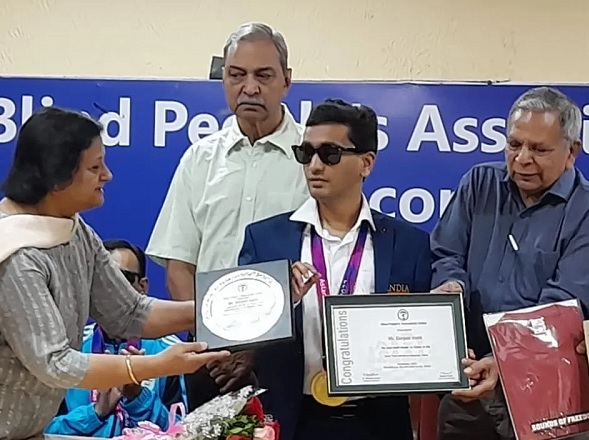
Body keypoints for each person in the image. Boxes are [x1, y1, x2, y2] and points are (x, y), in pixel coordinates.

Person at [0, 106, 228, 440]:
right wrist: (158, 365)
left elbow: (129, 311)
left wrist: (221, 311)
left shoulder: (74, 230)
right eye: (95, 167)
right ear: (57, 177)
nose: (107, 175)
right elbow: (55, 363)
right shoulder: (14, 253)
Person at [430, 87, 589, 440]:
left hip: (547, 399)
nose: (521, 159)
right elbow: (447, 254)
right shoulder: (479, 184)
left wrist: (504, 360)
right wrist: (450, 286)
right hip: (469, 387)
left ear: (571, 153)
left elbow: (561, 307)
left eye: (539, 149)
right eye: (514, 144)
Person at [238, 99, 432, 440]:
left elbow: (424, 343)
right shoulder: (265, 239)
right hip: (291, 421)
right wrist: (280, 301)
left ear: (366, 163)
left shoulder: (409, 245)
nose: (314, 165)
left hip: (378, 424)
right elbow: (241, 331)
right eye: (306, 153)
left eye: (329, 154)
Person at [146, 22, 308, 410]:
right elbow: (179, 266)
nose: (249, 88)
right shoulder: (198, 160)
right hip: (209, 360)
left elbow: (324, 265)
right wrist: (213, 344)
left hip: (290, 359)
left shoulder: (313, 158)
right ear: (224, 81)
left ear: (286, 81)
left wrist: (256, 350)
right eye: (237, 75)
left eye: (263, 75)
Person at [46, 239, 188, 438]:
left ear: (142, 286)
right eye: (99, 279)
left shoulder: (171, 352)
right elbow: (41, 429)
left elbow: (186, 431)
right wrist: (95, 413)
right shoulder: (68, 348)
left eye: (122, 278)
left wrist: (137, 397)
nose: (110, 289)